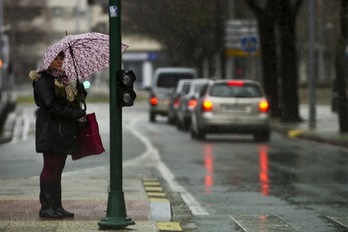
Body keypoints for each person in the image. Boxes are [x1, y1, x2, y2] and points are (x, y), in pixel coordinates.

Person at [29, 51, 87, 219]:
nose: (60, 61)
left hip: (64, 131)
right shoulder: (43, 80)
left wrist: (81, 93)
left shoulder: (63, 80)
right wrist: (75, 114)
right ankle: (46, 207)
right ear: (48, 60)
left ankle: (57, 206)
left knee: (58, 169)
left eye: (61, 58)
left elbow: (70, 102)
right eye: (56, 58)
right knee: (50, 167)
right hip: (51, 129)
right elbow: (52, 107)